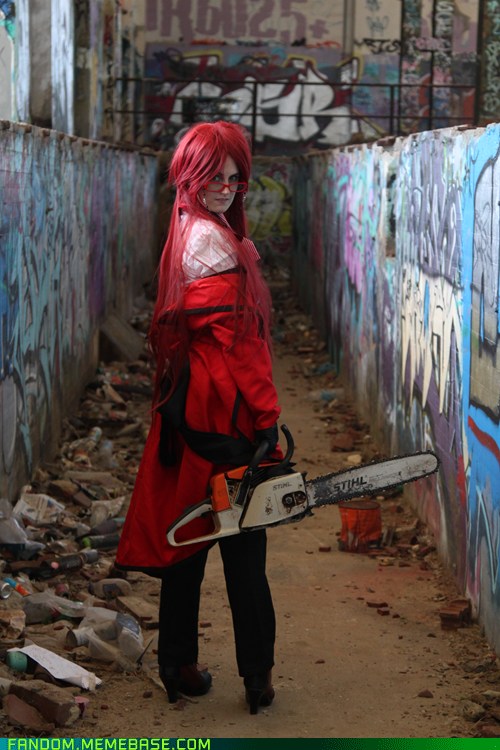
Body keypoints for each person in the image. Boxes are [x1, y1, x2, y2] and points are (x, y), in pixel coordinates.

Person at [115, 120, 283, 715]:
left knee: (188, 541)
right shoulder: (213, 241)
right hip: (226, 417)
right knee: (244, 548)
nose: (227, 189)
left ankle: (178, 666)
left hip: (188, 414)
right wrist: (267, 420)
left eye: (235, 178)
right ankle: (257, 677)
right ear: (190, 176)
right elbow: (242, 349)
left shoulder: (189, 230)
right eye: (216, 177)